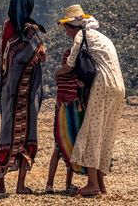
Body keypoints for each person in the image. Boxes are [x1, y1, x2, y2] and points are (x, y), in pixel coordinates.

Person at [55, 4, 125, 198]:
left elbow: (69, 66)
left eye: (66, 28)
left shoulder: (81, 36)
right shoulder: (102, 37)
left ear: (71, 26)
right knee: (106, 132)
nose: (66, 32)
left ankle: (92, 184)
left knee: (92, 131)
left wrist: (56, 73)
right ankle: (101, 183)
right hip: (119, 87)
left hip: (103, 85)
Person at [0, 0, 46, 195]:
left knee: (7, 131)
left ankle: (0, 183)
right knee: (27, 134)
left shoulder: (7, 26)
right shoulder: (31, 31)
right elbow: (42, 57)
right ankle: (20, 185)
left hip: (8, 91)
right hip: (26, 93)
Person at [45, 46, 86, 194]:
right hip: (74, 113)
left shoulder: (61, 76)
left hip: (62, 113)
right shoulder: (78, 78)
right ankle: (67, 184)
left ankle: (50, 185)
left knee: (58, 148)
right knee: (71, 148)